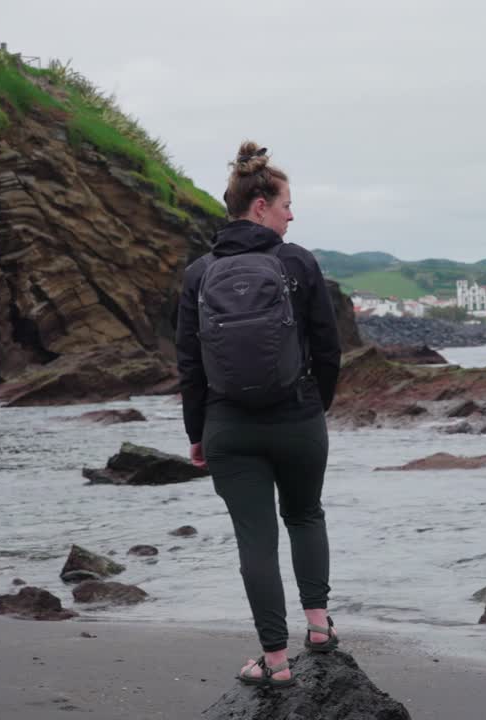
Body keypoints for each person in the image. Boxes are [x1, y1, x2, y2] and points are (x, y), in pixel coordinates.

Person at [175, 141, 342, 688]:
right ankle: (318, 628)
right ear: (261, 206)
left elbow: (190, 363)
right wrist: (317, 408)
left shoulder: (200, 273)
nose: (292, 214)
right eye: (287, 203)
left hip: (228, 425)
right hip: (298, 418)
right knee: (305, 515)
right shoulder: (297, 262)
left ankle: (274, 662)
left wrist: (198, 434)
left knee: (255, 540)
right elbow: (328, 347)